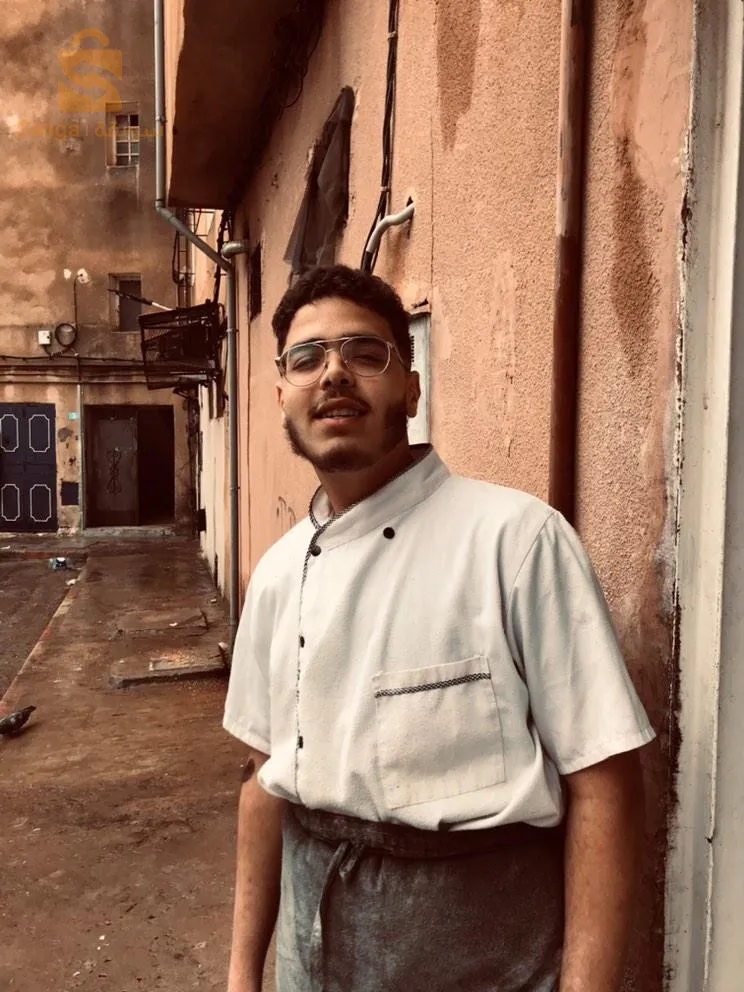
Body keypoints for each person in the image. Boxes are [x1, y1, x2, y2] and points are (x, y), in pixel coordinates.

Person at [223, 264, 655, 992]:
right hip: (311, 950)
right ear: (281, 397)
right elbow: (263, 781)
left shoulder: (516, 541)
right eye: (307, 358)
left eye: (366, 353)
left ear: (412, 389)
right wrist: (242, 975)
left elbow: (605, 782)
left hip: (487, 957)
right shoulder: (276, 574)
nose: (334, 373)